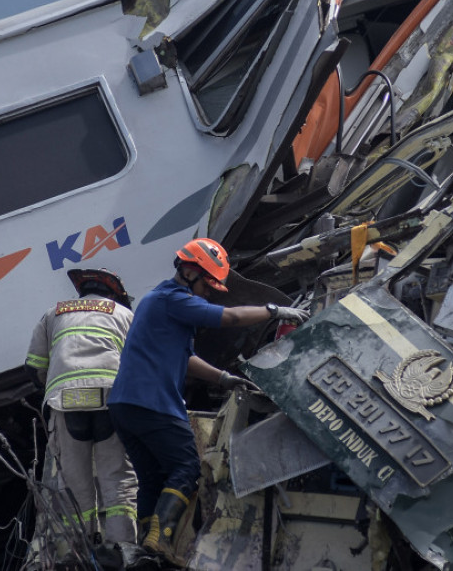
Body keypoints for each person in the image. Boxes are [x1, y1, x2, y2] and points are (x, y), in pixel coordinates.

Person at [108, 238, 309, 566]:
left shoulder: (157, 303)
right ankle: (162, 541)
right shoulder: (172, 298)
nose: (209, 292)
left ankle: (147, 550)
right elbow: (229, 318)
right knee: (187, 467)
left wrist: (224, 378)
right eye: (207, 284)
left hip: (124, 406)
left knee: (152, 479)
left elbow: (185, 358)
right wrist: (275, 310)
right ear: (189, 272)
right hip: (153, 402)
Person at [25, 267, 139, 555]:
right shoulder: (123, 314)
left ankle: (81, 550)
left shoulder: (53, 313)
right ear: (114, 294)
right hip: (110, 399)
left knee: (74, 482)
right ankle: (123, 549)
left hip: (66, 402)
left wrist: (55, 389)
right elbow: (140, 364)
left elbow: (35, 366)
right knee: (118, 477)